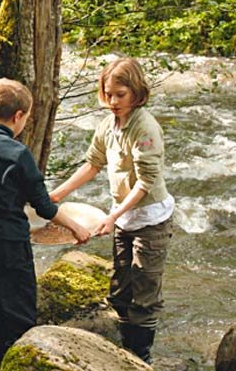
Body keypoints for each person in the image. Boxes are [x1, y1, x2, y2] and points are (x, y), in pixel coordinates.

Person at [0, 78, 90, 371]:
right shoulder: (19, 153)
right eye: (27, 118)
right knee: (20, 311)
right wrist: (76, 228)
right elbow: (43, 207)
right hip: (8, 242)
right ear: (18, 116)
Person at [49, 57, 173, 364]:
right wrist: (57, 194)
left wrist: (112, 217)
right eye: (109, 94)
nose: (114, 101)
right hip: (123, 217)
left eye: (121, 94)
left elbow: (145, 182)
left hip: (150, 220)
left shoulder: (145, 128)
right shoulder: (108, 124)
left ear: (136, 92)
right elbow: (93, 164)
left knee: (144, 292)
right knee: (119, 290)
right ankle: (122, 352)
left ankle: (140, 358)